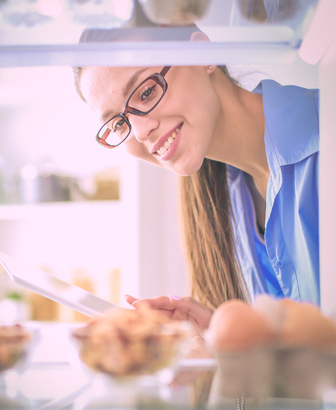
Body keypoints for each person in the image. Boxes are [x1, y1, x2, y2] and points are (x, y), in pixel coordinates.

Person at [72, 19, 320, 334]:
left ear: (203, 54)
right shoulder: (225, 198)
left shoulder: (325, 132)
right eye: (119, 124)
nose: (140, 130)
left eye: (146, 92)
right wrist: (220, 335)